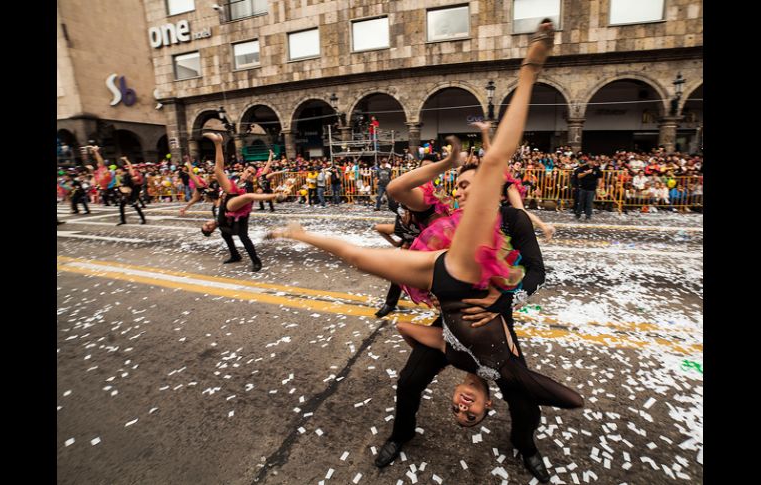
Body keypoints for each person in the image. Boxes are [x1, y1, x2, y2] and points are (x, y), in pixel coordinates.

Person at [267, 21, 581, 483]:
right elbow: (396, 192)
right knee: (409, 382)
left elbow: (536, 272)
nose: (469, 192)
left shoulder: (512, 221)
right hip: (447, 298)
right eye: (463, 186)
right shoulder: (445, 220)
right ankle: (402, 433)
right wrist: (445, 166)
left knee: (524, 401)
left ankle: (523, 444)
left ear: (493, 191)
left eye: (478, 187)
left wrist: (503, 299)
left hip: (491, 316)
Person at [199, 133, 283, 272]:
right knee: (225, 233)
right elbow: (219, 198)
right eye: (248, 171)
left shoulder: (254, 183)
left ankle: (256, 261)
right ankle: (218, 143)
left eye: (252, 173)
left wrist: (268, 192)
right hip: (230, 203)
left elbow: (265, 172)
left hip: (240, 209)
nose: (249, 174)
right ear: (244, 171)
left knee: (243, 236)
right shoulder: (237, 180)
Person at [117, 157, 146, 226]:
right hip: (125, 194)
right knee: (121, 206)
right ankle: (123, 220)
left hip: (132, 193)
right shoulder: (121, 176)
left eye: (117, 169)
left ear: (121, 169)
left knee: (135, 206)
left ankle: (143, 219)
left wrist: (126, 160)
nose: (116, 171)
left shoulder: (128, 175)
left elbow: (130, 167)